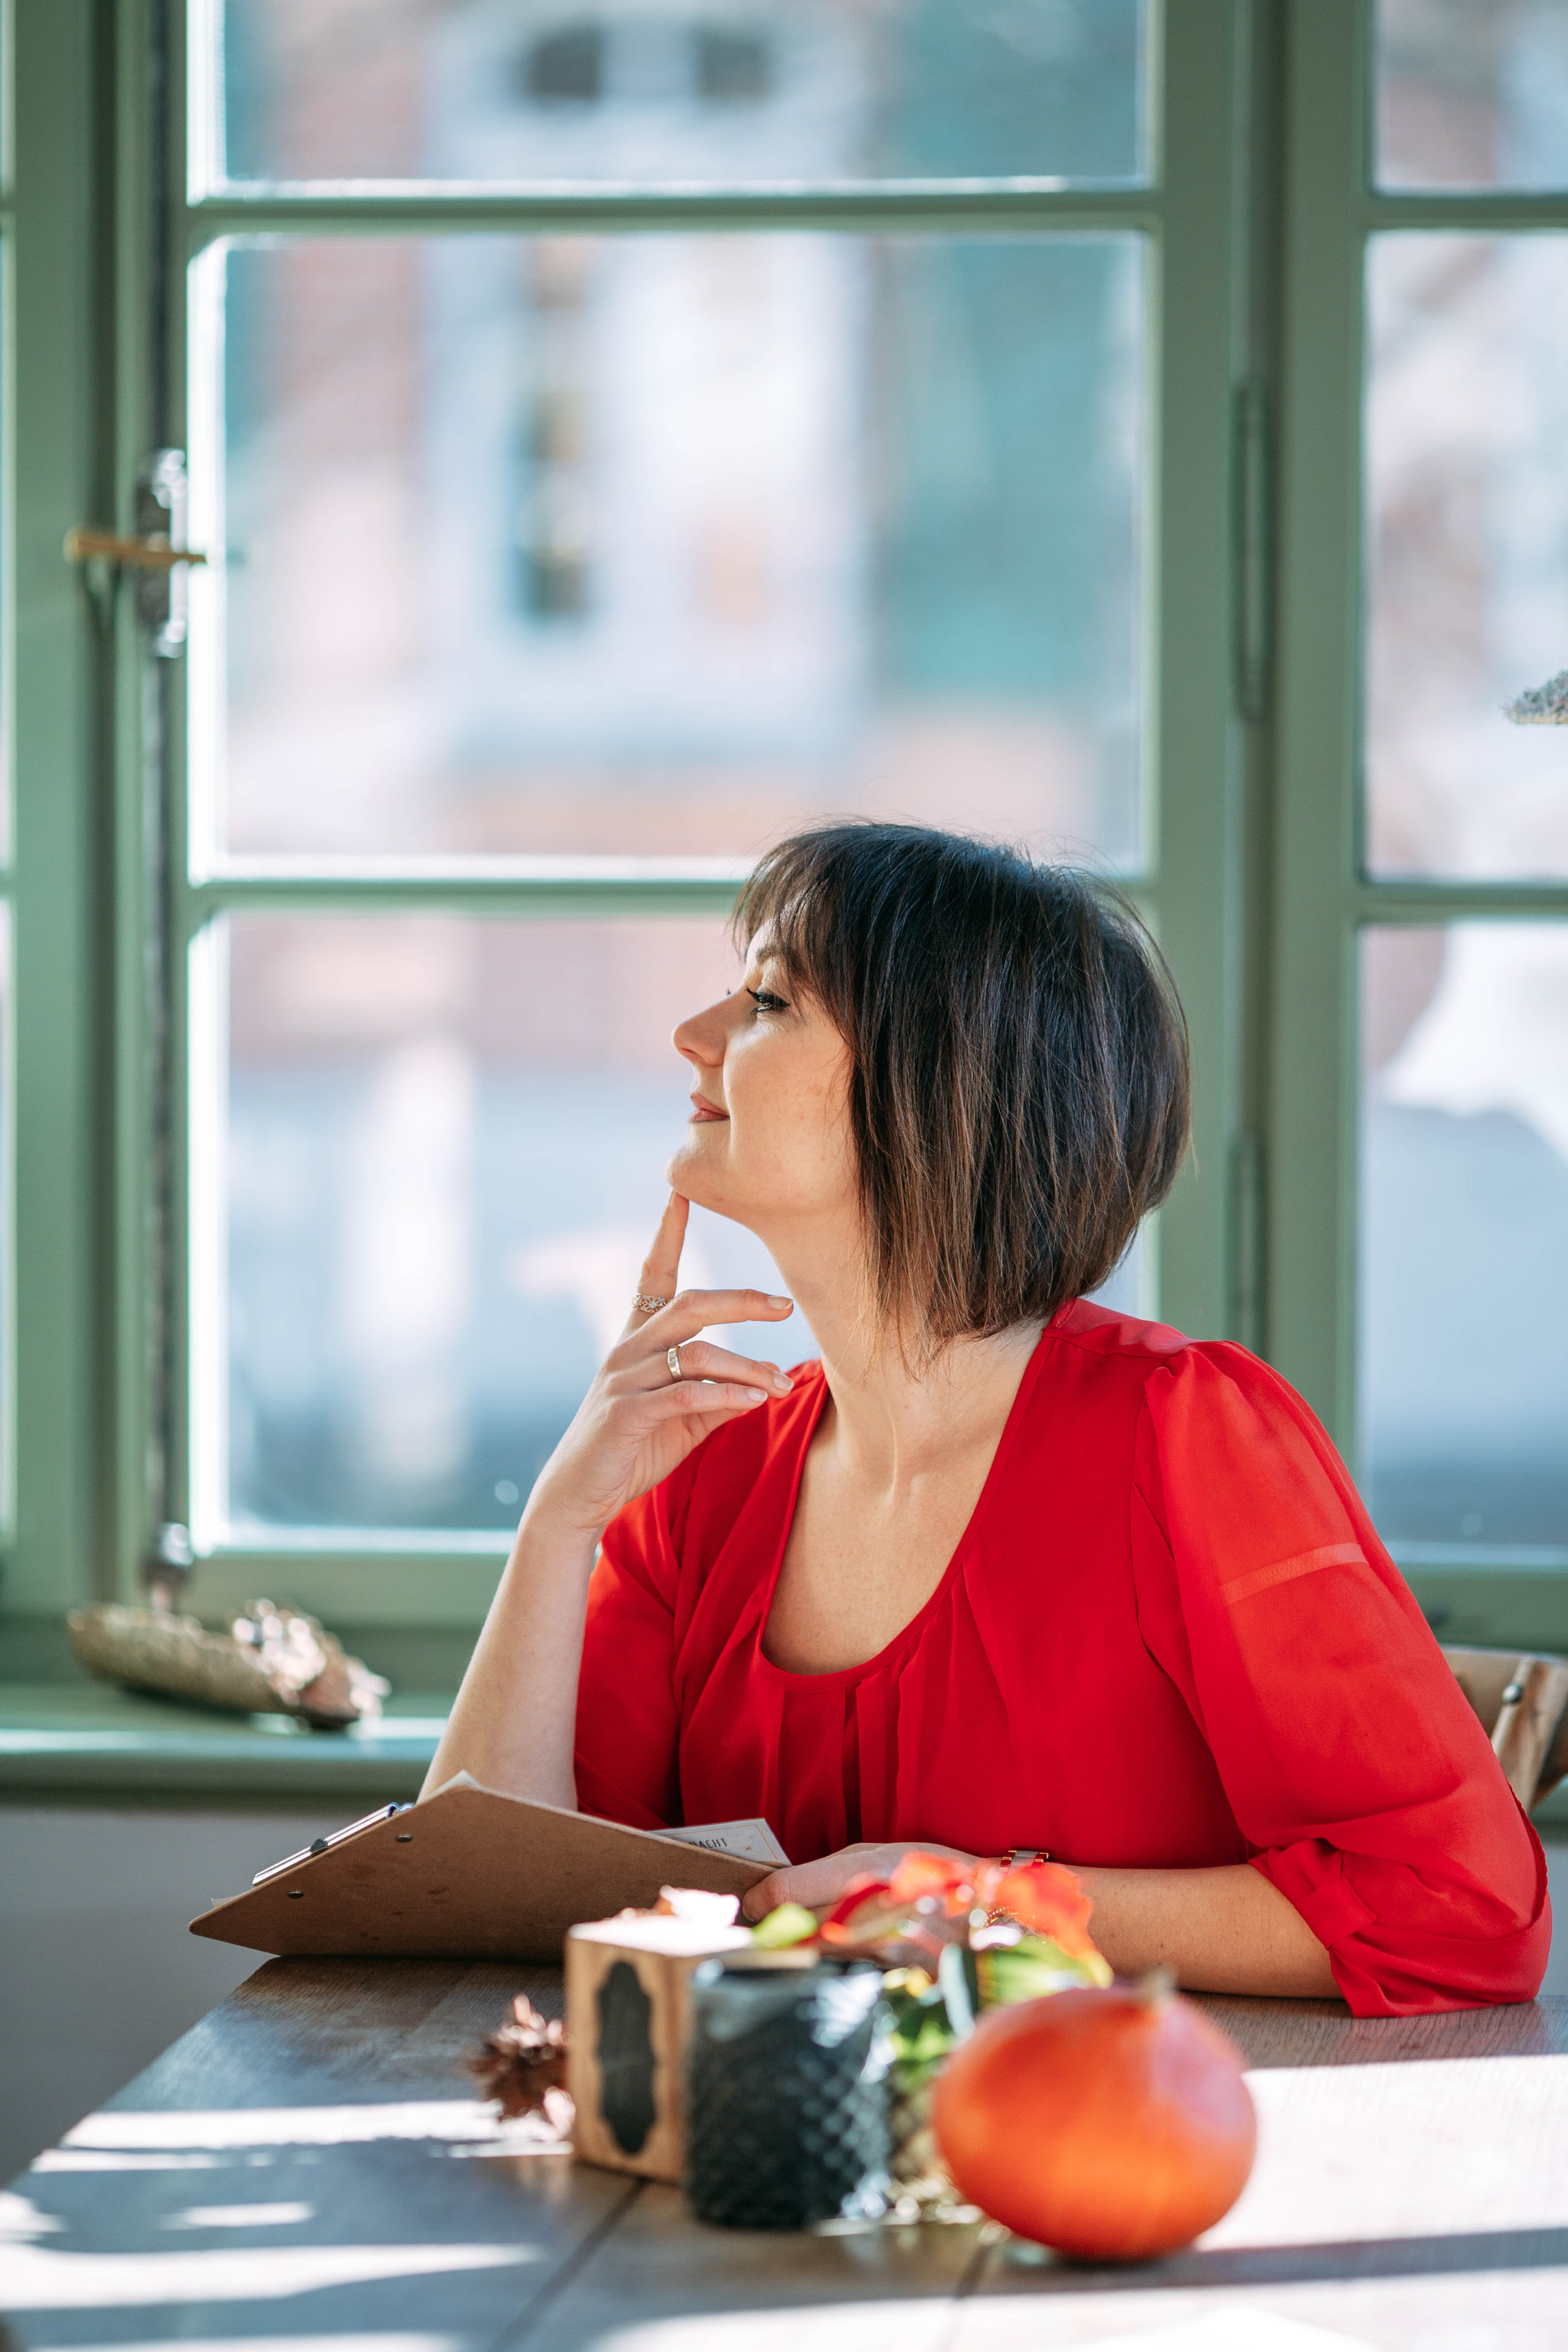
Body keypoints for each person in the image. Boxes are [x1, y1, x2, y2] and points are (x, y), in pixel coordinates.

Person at [426, 823, 1548, 2016]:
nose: (691, 1037)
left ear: (934, 1087)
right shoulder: (701, 1473)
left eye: (765, 1000)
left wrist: (978, 1899)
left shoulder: (1184, 1437)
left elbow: (1458, 1914)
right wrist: (558, 1525)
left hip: (1138, 2152)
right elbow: (481, 1902)